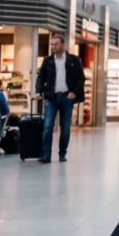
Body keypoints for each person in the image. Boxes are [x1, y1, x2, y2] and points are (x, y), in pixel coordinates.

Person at [34, 34, 85, 164]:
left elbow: (81, 79)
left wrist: (74, 92)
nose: (53, 47)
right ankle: (46, 154)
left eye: (55, 44)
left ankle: (62, 153)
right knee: (48, 126)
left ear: (62, 45)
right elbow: (41, 78)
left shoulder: (73, 60)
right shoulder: (48, 60)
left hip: (67, 98)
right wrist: (38, 91)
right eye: (51, 44)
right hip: (51, 97)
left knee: (65, 128)